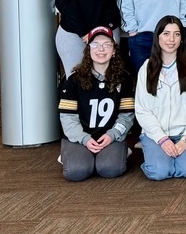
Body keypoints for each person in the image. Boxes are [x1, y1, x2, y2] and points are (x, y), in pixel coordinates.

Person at [134, 17, 186, 181]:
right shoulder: (146, 68)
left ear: (182, 39)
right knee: (158, 172)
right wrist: (162, 139)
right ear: (158, 37)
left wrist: (185, 139)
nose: (171, 39)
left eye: (176, 34)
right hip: (156, 133)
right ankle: (163, 159)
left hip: (184, 132)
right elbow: (142, 110)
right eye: (166, 34)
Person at [57, 27, 134, 181]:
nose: (101, 49)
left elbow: (126, 115)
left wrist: (113, 135)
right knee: (77, 172)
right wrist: (83, 138)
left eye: (106, 44)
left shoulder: (123, 79)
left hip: (110, 136)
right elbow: (67, 117)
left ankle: (120, 151)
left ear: (113, 50)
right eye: (95, 45)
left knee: (109, 169)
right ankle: (70, 153)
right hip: (81, 137)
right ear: (88, 50)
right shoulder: (73, 80)